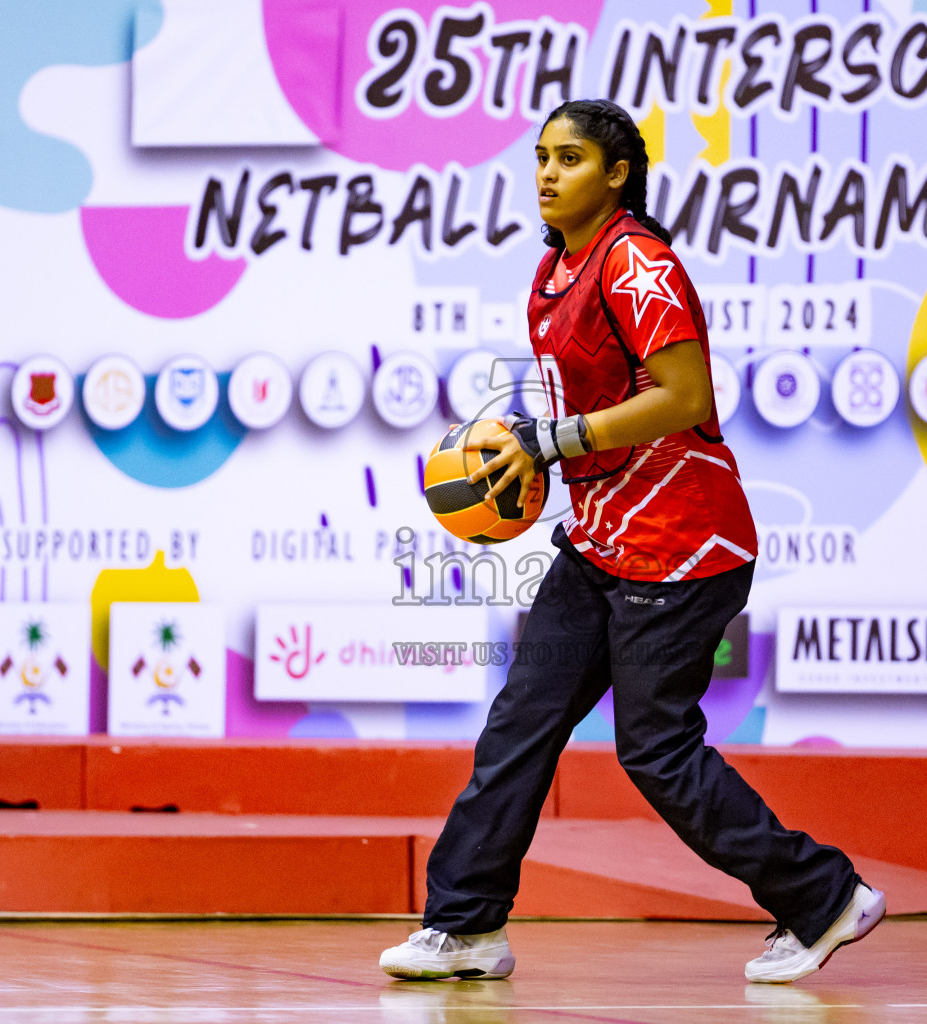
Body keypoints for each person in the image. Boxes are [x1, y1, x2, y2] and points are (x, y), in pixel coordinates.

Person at [378, 99, 884, 985]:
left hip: (682, 546)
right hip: (600, 537)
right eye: (539, 156)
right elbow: (595, 407)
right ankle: (466, 928)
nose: (545, 172)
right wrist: (527, 448)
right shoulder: (555, 270)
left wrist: (553, 441)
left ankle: (824, 897)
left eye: (569, 158)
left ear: (616, 175)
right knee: (519, 726)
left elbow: (684, 397)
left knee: (655, 750)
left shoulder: (637, 263)